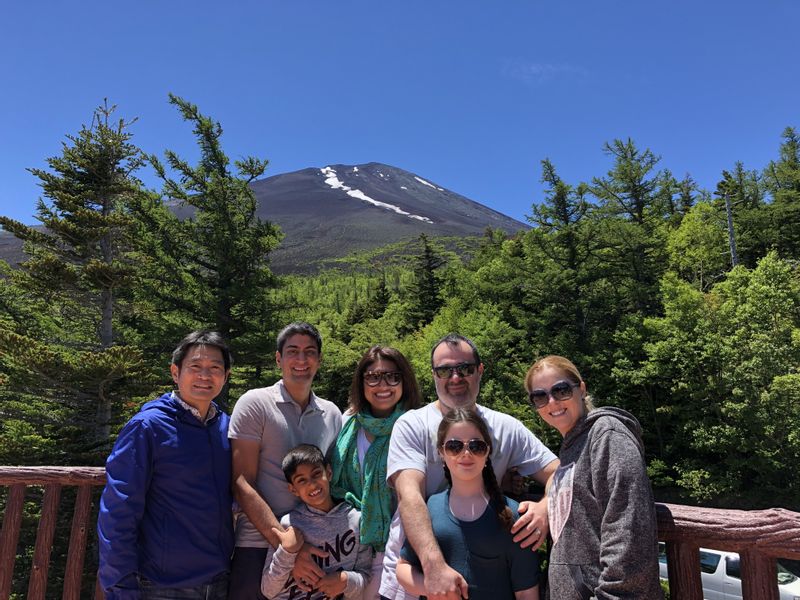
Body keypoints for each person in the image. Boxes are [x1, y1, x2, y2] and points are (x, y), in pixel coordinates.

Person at [380, 333, 559, 600]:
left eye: (464, 368)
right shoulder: (412, 425)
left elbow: (559, 471)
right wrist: (434, 568)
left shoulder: (506, 428)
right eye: (444, 370)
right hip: (416, 579)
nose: (455, 378)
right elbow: (410, 495)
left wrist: (546, 507)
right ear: (433, 375)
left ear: (480, 371)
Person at [97, 330, 234, 599]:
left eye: (215, 368)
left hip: (217, 580)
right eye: (195, 367)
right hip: (159, 585)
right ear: (175, 372)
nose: (205, 376)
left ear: (225, 377)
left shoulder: (225, 428)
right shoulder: (147, 427)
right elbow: (118, 511)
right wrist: (121, 588)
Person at [524, 355, 662, 599]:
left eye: (561, 390)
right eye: (540, 396)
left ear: (582, 389)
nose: (552, 402)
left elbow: (628, 526)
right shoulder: (573, 444)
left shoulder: (608, 435)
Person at [229, 322, 343, 600]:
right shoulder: (255, 403)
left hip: (318, 547)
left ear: (319, 360)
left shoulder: (332, 414)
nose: (301, 360)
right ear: (278, 358)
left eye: (310, 352)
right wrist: (288, 548)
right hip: (257, 543)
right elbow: (242, 482)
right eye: (292, 351)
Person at [397, 409, 541, 600]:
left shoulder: (514, 516)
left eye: (476, 446)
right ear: (441, 452)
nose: (466, 453)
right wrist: (433, 586)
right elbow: (403, 567)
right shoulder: (430, 507)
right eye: (454, 446)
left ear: (487, 451)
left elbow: (527, 594)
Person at [329, 346, 422, 600]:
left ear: (405, 381)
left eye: (393, 376)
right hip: (347, 543)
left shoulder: (418, 424)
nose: (383, 385)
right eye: (373, 377)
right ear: (361, 382)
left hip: (396, 550)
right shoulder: (348, 421)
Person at [261, 444, 373, 600]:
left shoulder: (356, 521)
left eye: (316, 474)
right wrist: (287, 553)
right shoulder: (289, 524)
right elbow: (268, 589)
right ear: (293, 489)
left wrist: (345, 580)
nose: (312, 484)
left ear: (329, 472)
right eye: (302, 480)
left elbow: (365, 576)